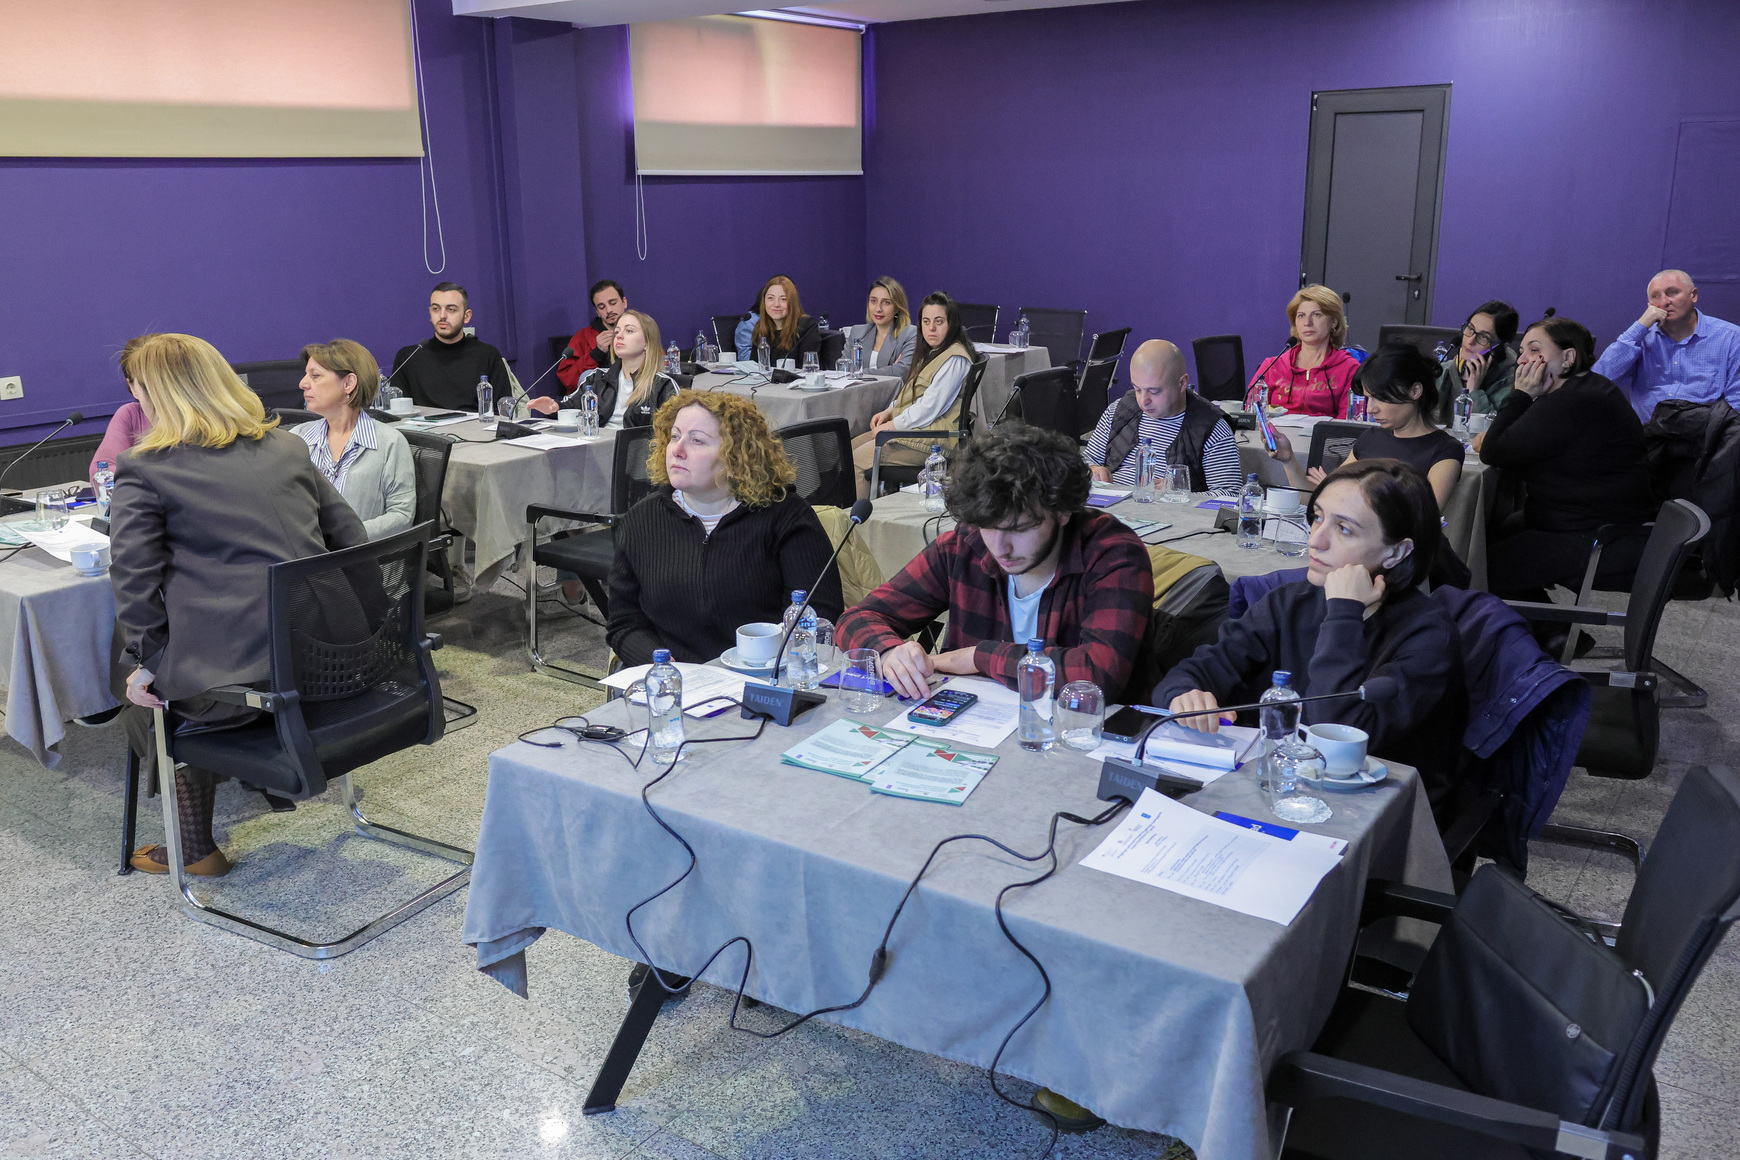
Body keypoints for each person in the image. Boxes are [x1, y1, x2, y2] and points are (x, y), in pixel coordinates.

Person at [108, 333, 369, 876]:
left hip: (253, 686)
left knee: (143, 689)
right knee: (174, 663)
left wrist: (143, 664)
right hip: (338, 664)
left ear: (155, 395)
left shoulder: (146, 467)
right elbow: (353, 540)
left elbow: (134, 582)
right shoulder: (287, 446)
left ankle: (195, 846)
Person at [1153, 459, 1464, 807]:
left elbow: (1334, 738)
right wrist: (1184, 695)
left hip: (1377, 808)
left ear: (1396, 552)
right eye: (1318, 517)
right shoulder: (1290, 602)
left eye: (1344, 529)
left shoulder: (1428, 635)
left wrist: (1343, 613)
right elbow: (1194, 671)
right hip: (1279, 787)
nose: (1315, 540)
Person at [836, 423, 1154, 701]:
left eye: (1019, 529)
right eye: (988, 526)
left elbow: (1098, 676)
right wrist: (889, 652)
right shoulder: (965, 544)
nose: (1000, 548)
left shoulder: (1113, 554)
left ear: (1062, 512)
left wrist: (978, 657)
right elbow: (856, 618)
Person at [607, 391, 842, 667]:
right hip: (674, 677)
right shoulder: (642, 520)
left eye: (697, 440)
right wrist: (661, 664)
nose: (677, 450)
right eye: (674, 436)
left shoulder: (786, 517)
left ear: (736, 457)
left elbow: (818, 615)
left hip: (763, 674)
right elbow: (624, 621)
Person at [1479, 316, 1655, 598]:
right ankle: (1542, 623)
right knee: (1487, 538)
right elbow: (1506, 442)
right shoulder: (1584, 388)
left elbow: (1493, 450)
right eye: (1522, 351)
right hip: (1574, 519)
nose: (1522, 361)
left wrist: (1521, 393)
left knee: (1477, 568)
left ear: (1568, 358)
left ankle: (1541, 624)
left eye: (1534, 350)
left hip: (1596, 534)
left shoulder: (1575, 400)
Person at [1269, 343, 1464, 509]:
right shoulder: (1371, 437)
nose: (1371, 409)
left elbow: (1425, 515)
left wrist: (1348, 495)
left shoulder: (1445, 450)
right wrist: (1289, 460)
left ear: (1415, 391)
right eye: (1368, 398)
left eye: (1380, 398)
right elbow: (1316, 500)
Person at [850, 292, 977, 498]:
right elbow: (915, 391)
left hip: (935, 439)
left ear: (952, 324)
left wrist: (891, 426)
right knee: (848, 448)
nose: (931, 328)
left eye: (938, 321)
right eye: (926, 322)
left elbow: (928, 408)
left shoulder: (955, 358)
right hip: (919, 430)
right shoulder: (934, 351)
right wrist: (890, 410)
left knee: (856, 461)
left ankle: (859, 519)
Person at [289, 339, 417, 539]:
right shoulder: (297, 438)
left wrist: (345, 537)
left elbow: (402, 516)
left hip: (360, 554)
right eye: (306, 375)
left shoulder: (389, 443)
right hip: (304, 552)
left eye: (315, 376)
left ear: (348, 383)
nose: (303, 383)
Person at [1084, 339, 1240, 493]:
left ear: (1182, 383)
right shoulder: (1119, 410)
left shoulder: (1211, 427)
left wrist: (1181, 493)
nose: (1143, 401)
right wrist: (1093, 469)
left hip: (1170, 508)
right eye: (1137, 389)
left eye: (1154, 391)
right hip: (1111, 504)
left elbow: (1229, 494)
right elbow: (1086, 460)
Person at [1592, 269, 1740, 421]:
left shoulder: (1731, 337)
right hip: (1648, 432)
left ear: (1693, 295)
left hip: (1706, 433)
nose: (1664, 302)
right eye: (1655, 296)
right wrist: (1639, 326)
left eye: (1672, 292)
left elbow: (1737, 401)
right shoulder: (1640, 339)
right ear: (1649, 305)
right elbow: (1598, 381)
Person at [529, 310, 677, 428]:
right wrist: (554, 407)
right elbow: (571, 405)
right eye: (617, 332)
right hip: (598, 449)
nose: (619, 336)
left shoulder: (663, 386)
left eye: (629, 331)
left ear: (647, 343)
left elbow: (670, 434)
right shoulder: (597, 379)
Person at [388, 282, 511, 411]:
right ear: (430, 313)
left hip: (473, 424)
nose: (442, 316)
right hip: (422, 424)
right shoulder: (408, 357)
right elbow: (398, 413)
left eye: (451, 309)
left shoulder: (487, 355)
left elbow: (502, 410)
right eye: (436, 309)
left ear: (467, 316)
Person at [1245, 284, 1361, 417]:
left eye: (1317, 315)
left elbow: (1348, 422)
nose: (1307, 322)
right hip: (1275, 430)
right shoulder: (1271, 366)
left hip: (1323, 431)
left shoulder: (1349, 368)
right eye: (1301, 316)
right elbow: (1252, 413)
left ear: (1334, 322)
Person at [90, 334, 157, 484]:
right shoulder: (131, 414)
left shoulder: (197, 412)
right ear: (132, 386)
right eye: (146, 384)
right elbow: (101, 471)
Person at [1439, 300, 1520, 416]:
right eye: (1470, 329)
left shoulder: (1511, 383)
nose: (1470, 341)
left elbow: (1494, 426)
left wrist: (1474, 392)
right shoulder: (1444, 370)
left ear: (1499, 349)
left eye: (1483, 337)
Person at [552, 279, 628, 394]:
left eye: (613, 303)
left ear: (624, 302)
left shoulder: (642, 331)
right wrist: (596, 353)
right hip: (598, 398)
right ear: (597, 312)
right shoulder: (583, 337)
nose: (609, 310)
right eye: (601, 307)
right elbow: (568, 380)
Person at [841, 277, 918, 373]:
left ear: (897, 307)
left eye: (886, 302)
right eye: (873, 301)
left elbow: (901, 371)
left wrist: (858, 373)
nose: (878, 309)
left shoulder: (910, 334)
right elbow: (843, 368)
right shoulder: (857, 332)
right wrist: (890, 369)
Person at [749, 276, 821, 366]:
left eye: (783, 299)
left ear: (792, 302)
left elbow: (808, 367)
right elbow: (754, 366)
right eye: (771, 298)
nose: (776, 304)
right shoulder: (760, 327)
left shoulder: (806, 326)